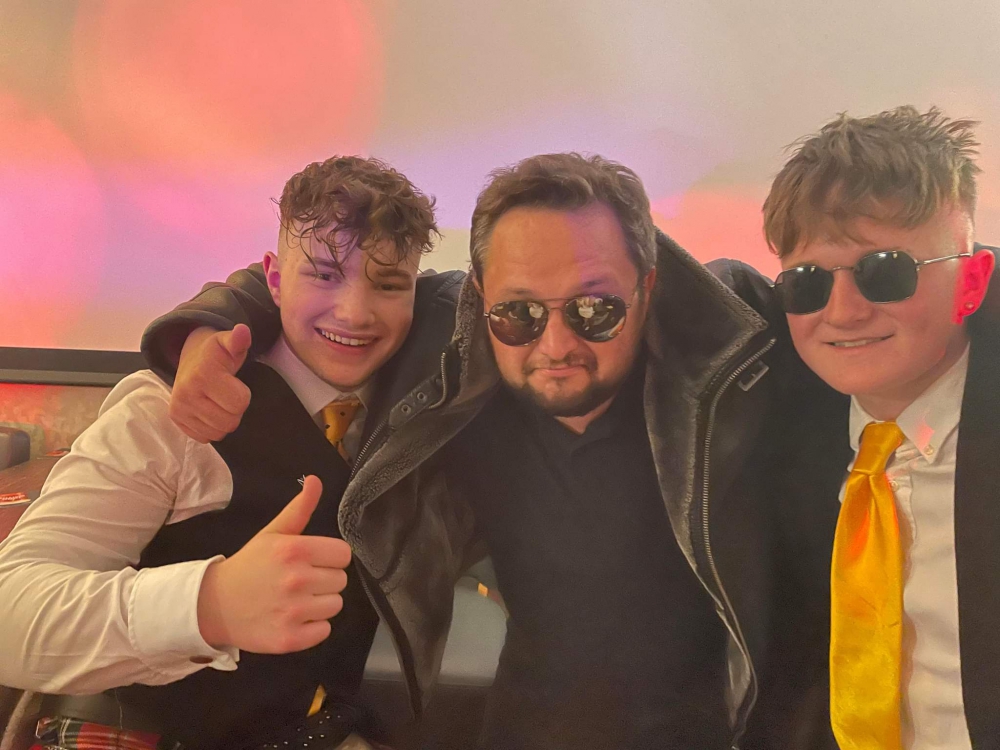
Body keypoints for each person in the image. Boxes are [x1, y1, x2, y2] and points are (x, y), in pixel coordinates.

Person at [146, 152, 803, 749]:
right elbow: (312, 273)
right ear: (480, 299)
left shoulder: (733, 356)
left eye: (595, 310)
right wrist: (203, 332)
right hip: (522, 728)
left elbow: (835, 307)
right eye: (519, 314)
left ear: (648, 288)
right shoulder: (453, 350)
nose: (555, 346)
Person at [0, 155, 455, 750]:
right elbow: (10, 613)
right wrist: (208, 604)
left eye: (389, 284)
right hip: (147, 730)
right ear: (273, 279)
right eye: (323, 274)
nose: (354, 312)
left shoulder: (425, 402)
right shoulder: (166, 409)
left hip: (321, 726)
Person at [764, 106, 999, 750]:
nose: (842, 311)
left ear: (972, 280)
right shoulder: (772, 430)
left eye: (885, 271)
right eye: (808, 282)